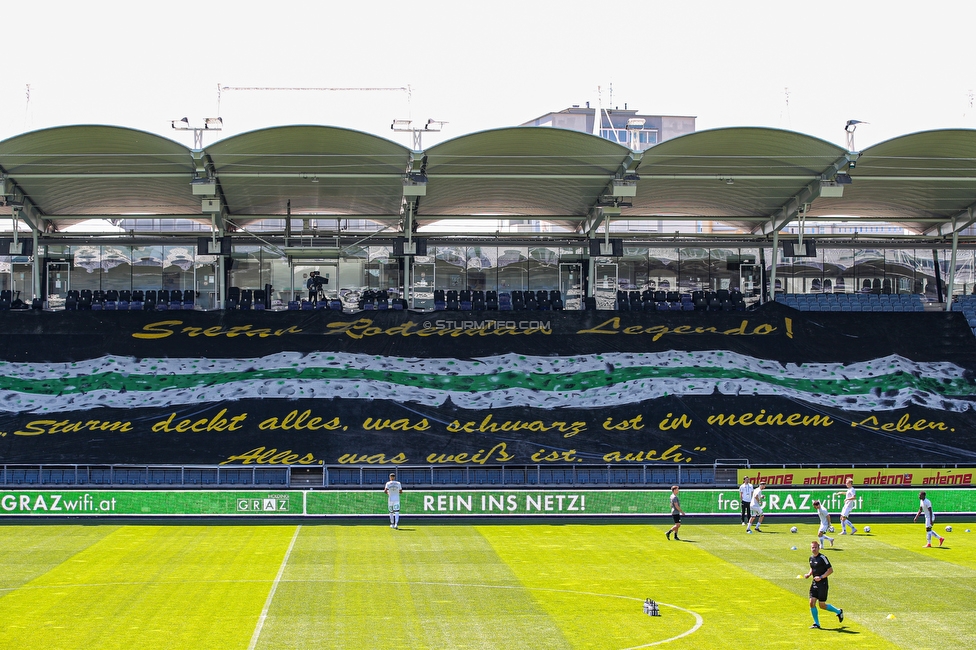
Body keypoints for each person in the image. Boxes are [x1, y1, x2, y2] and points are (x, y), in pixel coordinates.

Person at [804, 540, 844, 629]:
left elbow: (830, 570)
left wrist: (821, 577)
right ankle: (816, 623)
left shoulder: (823, 558)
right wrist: (809, 574)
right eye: (812, 547)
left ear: (818, 548)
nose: (813, 549)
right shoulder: (811, 558)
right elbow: (812, 568)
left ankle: (838, 611)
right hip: (814, 583)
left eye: (815, 547)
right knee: (811, 602)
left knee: (822, 605)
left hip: (823, 583)